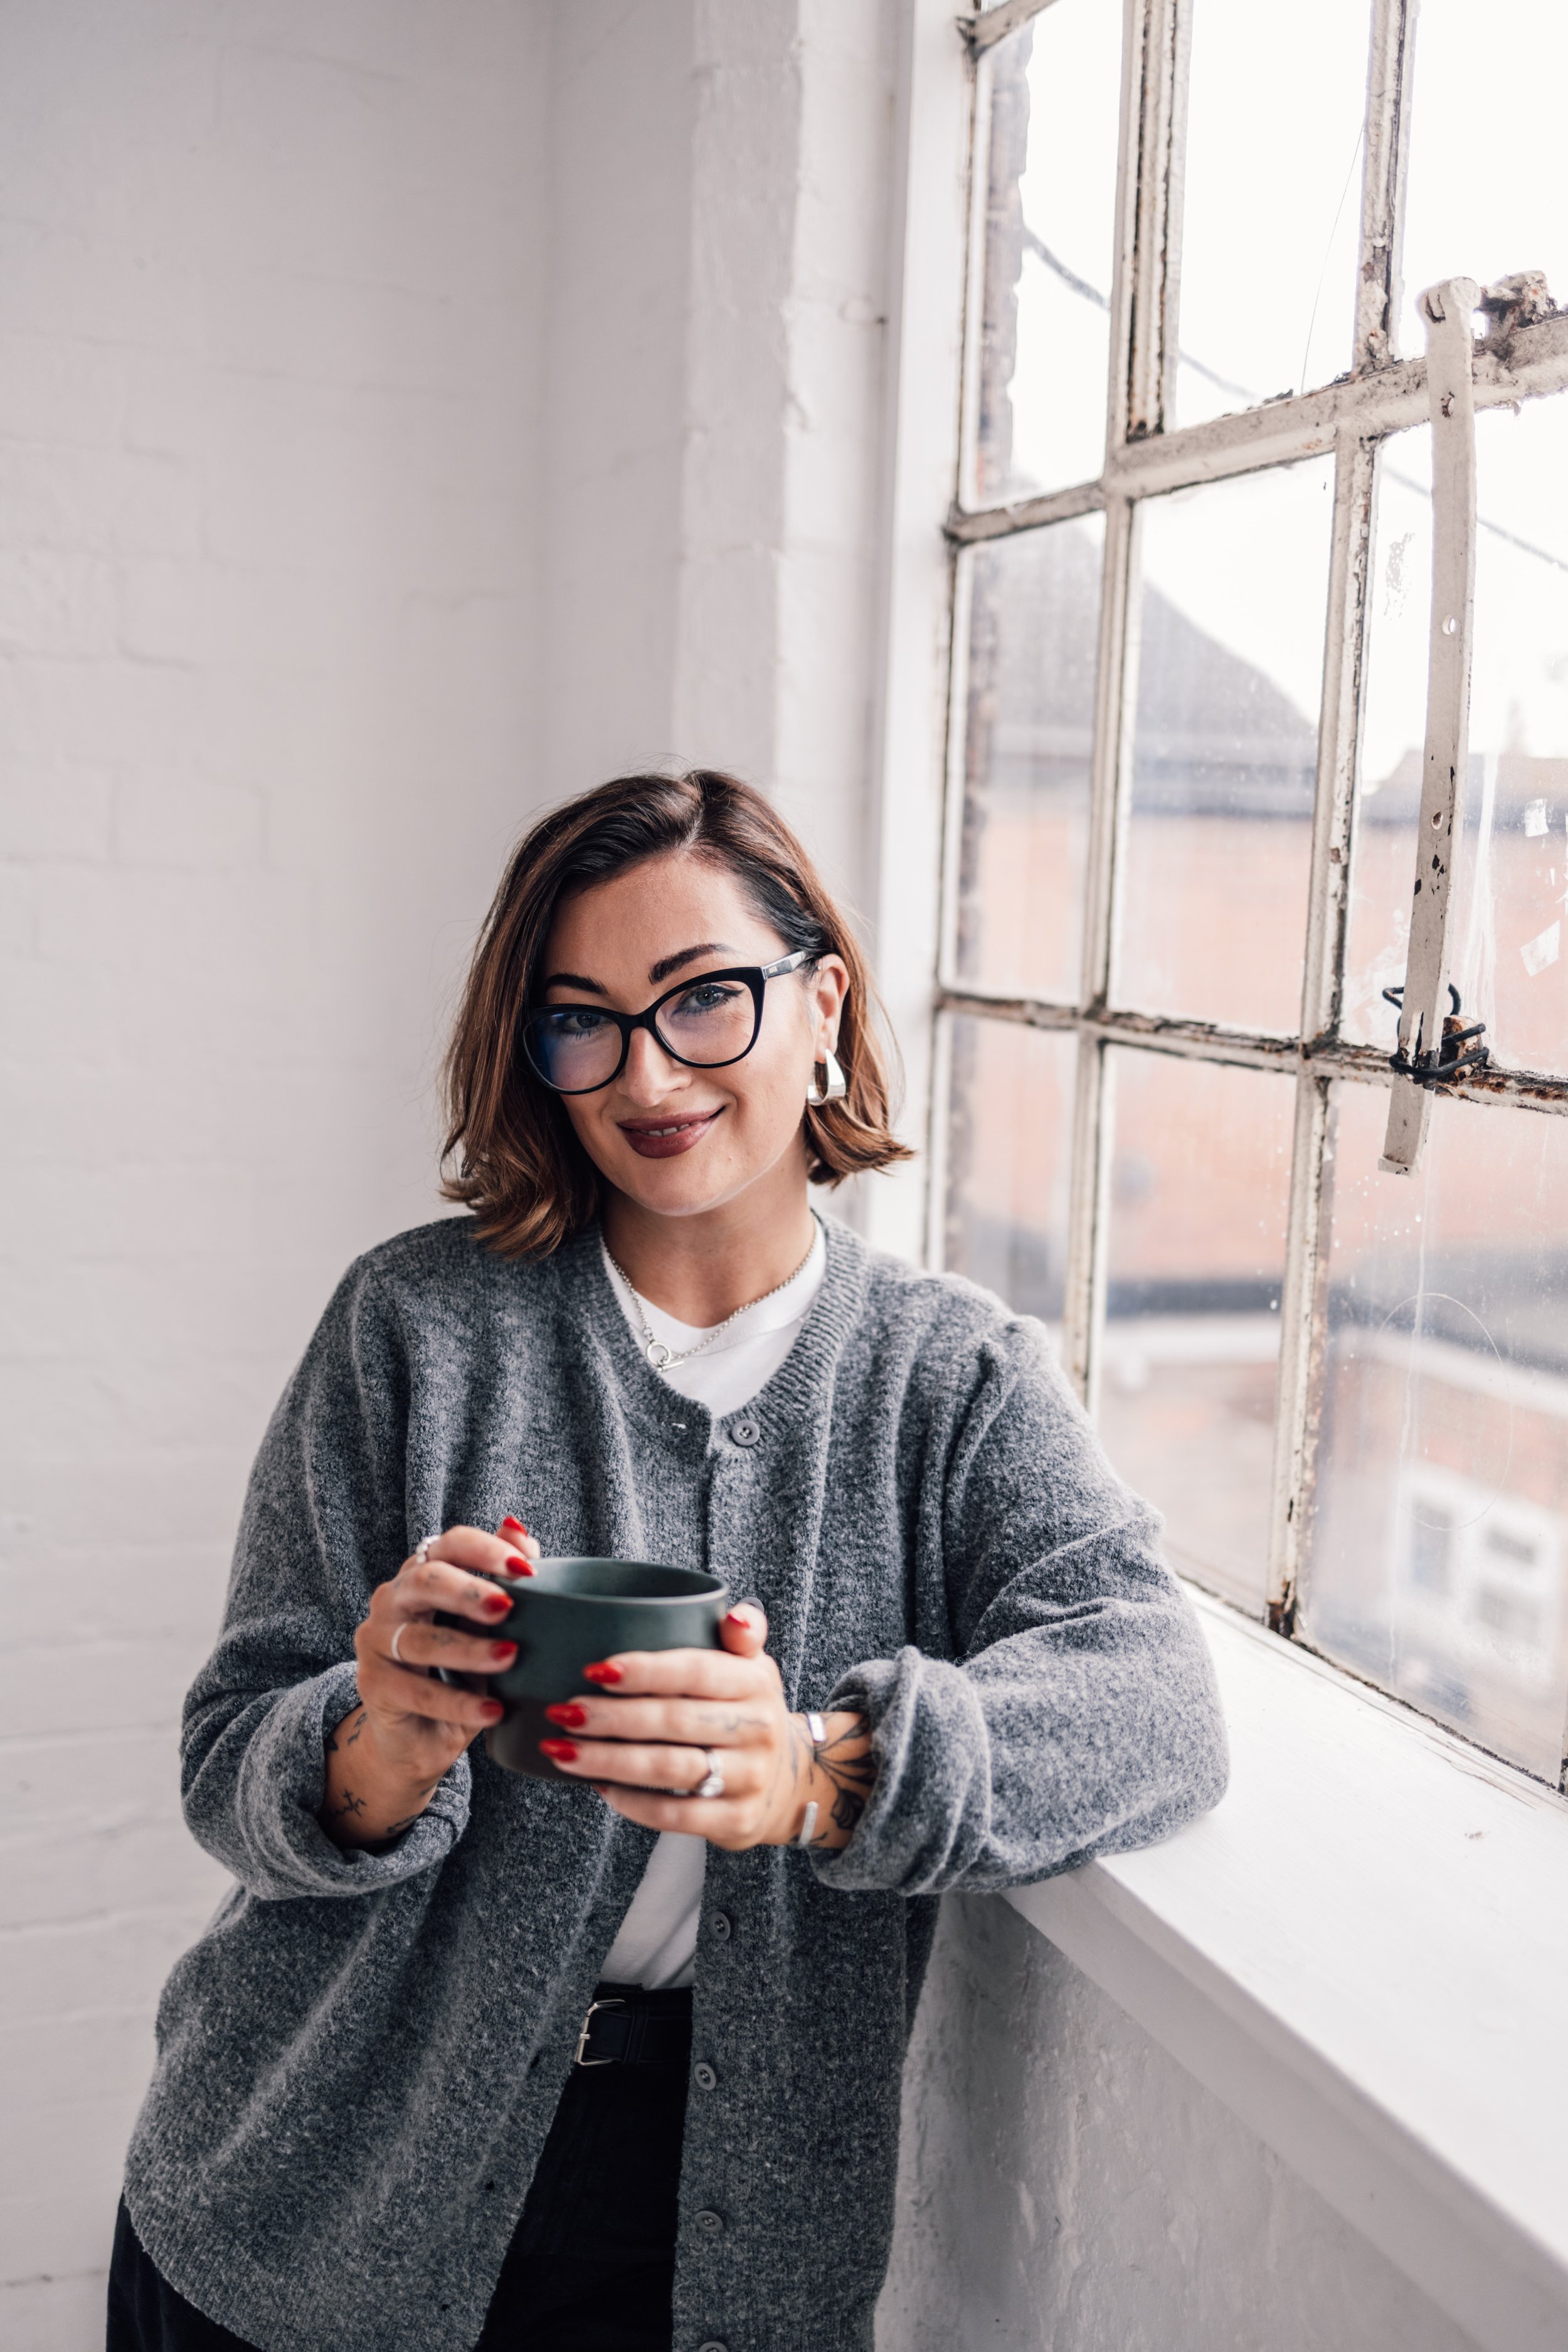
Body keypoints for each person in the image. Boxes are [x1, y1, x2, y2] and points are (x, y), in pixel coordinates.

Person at [111, 769, 1228, 2352]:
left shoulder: (949, 1380)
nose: (646, 1072)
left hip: (709, 2241)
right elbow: (229, 1753)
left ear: (821, 1002)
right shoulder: (413, 1329)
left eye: (702, 1000)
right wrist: (378, 1743)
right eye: (583, 1020)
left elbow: (1154, 1701)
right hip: (304, 2194)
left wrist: (817, 1774)